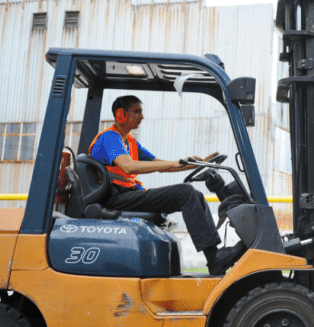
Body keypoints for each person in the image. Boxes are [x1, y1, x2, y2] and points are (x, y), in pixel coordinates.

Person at [88, 94, 245, 276]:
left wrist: (198, 163)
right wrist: (176, 163)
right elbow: (128, 166)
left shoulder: (130, 142)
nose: (142, 116)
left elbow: (160, 164)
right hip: (116, 198)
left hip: (128, 195)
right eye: (137, 111)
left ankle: (214, 257)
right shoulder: (110, 138)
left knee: (195, 194)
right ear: (121, 114)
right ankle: (215, 259)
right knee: (185, 192)